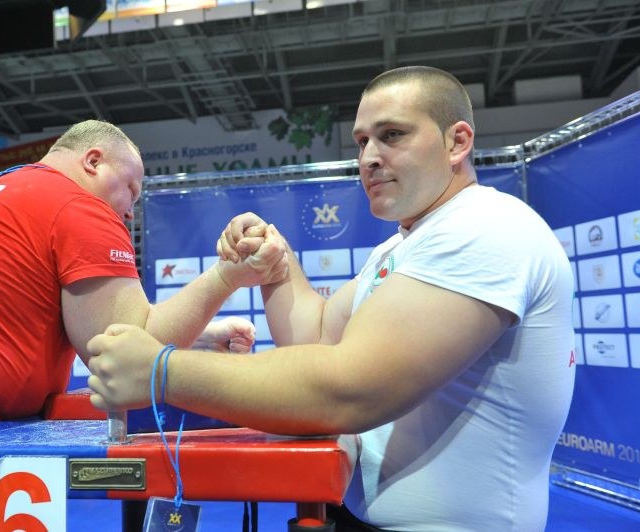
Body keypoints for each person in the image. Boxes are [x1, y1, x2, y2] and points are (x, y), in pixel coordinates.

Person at [86, 67, 576, 531]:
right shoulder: (406, 244)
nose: (368, 157)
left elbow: (348, 389)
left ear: (457, 141)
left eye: (393, 135)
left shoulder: (482, 229)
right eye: (362, 141)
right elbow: (317, 335)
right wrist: (276, 264)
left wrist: (161, 371)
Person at [0, 119, 286, 531]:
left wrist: (201, 334)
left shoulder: (11, 186)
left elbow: (94, 319)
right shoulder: (79, 205)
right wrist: (228, 276)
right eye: (131, 190)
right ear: (93, 162)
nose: (130, 213)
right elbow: (130, 346)